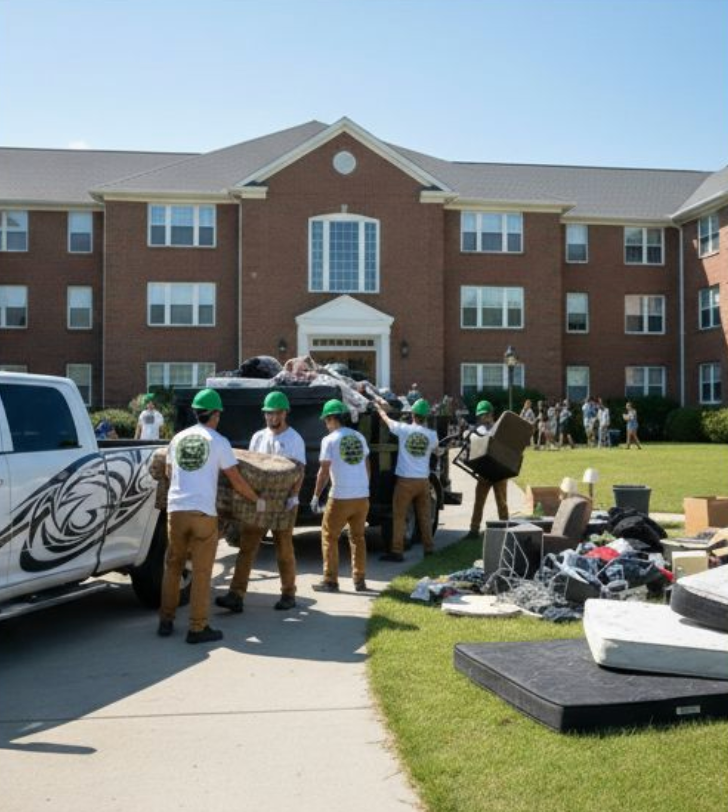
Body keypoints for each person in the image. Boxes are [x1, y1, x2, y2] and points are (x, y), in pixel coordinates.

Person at [158, 388, 263, 644]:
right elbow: (236, 480)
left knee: (173, 566)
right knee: (202, 572)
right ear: (215, 415)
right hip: (203, 513)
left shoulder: (178, 439)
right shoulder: (218, 441)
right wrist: (257, 500)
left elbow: (170, 473)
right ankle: (197, 628)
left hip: (175, 511)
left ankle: (166, 620)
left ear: (196, 413)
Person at [215, 391, 305, 613]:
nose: (271, 418)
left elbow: (300, 470)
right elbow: (251, 469)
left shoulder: (294, 439)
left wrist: (293, 496)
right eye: (267, 414)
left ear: (284, 413)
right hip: (260, 501)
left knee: (283, 549)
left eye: (275, 414)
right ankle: (236, 595)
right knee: (247, 547)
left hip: (284, 503)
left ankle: (288, 594)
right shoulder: (258, 437)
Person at [310, 399, 370, 592]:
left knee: (329, 536)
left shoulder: (329, 440)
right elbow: (368, 464)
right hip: (362, 497)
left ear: (331, 418)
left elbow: (324, 471)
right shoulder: (359, 437)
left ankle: (330, 580)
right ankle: (359, 580)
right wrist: (364, 487)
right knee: (358, 538)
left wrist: (315, 495)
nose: (326, 425)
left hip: (340, 497)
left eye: (326, 421)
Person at [375, 398, 439, 562]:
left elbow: (388, 421)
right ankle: (429, 549)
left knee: (399, 516)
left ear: (412, 414)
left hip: (405, 482)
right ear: (426, 417)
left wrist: (380, 410)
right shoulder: (431, 435)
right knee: (424, 517)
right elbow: (437, 451)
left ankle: (397, 551)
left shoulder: (403, 430)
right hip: (423, 482)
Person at [462, 400, 509, 540]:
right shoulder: (478, 430)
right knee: (479, 501)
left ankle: (506, 528)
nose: (482, 418)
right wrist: (467, 434)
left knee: (502, 502)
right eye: (481, 416)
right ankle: (474, 530)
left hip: (499, 472)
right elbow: (470, 437)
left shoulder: (498, 429)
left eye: (484, 415)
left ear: (490, 414)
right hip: (485, 472)